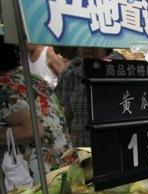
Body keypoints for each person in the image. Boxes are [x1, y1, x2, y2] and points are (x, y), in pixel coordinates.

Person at [1, 39, 71, 182]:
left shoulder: (4, 87)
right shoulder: (32, 78)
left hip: (42, 176)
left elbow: (33, 130)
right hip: (64, 164)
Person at [56, 48, 124, 147]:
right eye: (85, 44)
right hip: (81, 151)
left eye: (95, 43)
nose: (89, 47)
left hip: (110, 149)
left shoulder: (120, 71)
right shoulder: (72, 74)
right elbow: (68, 115)